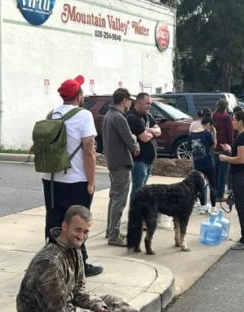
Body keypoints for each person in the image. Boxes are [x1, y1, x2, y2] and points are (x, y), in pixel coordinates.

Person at [17, 206, 137, 312]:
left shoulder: (74, 247)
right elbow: (57, 308)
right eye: (78, 230)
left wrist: (98, 306)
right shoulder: (49, 262)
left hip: (66, 302)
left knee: (114, 302)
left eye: (86, 232)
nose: (81, 236)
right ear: (65, 226)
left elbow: (79, 290)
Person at [42, 75, 102, 277]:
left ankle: (50, 264)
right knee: (79, 224)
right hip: (75, 180)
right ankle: (80, 265)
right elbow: (88, 150)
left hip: (50, 178)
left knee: (55, 221)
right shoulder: (84, 115)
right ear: (79, 95)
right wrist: (92, 181)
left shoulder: (52, 114)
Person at [102, 88, 139, 247]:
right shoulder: (118, 118)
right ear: (124, 100)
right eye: (129, 100)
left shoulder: (109, 115)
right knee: (119, 200)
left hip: (112, 161)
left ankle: (111, 230)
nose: (130, 103)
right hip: (121, 162)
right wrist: (135, 143)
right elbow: (129, 139)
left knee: (114, 197)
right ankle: (114, 236)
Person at [219, 111, 244, 250]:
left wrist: (226, 158)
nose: (232, 122)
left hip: (241, 175)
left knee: (243, 208)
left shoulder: (243, 137)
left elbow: (241, 159)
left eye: (234, 120)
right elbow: (240, 154)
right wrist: (230, 149)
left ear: (241, 121)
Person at [127, 93, 161, 201]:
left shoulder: (147, 116)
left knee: (143, 190)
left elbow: (159, 131)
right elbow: (144, 138)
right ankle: (134, 214)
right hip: (139, 161)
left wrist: (149, 129)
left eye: (150, 103)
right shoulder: (132, 117)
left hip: (148, 160)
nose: (149, 106)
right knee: (138, 190)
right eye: (147, 103)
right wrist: (151, 132)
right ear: (138, 102)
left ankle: (140, 213)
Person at [190, 112, 217, 214]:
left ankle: (203, 206)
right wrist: (214, 133)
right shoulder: (207, 133)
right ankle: (214, 206)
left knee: (200, 185)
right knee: (212, 184)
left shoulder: (192, 134)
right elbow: (214, 146)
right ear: (208, 124)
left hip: (197, 163)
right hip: (208, 162)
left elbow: (189, 148)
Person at [212, 98, 233, 202]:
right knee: (223, 173)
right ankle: (219, 195)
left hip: (214, 147)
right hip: (224, 147)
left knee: (215, 172)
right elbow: (229, 131)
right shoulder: (226, 117)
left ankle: (214, 192)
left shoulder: (213, 115)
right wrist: (231, 143)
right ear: (226, 106)